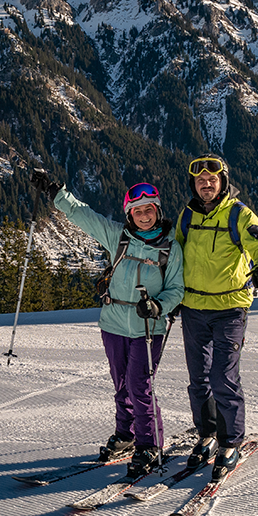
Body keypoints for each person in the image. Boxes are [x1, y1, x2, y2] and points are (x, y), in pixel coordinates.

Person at [30, 169, 185, 476]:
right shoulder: (118, 237)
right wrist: (57, 192)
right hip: (113, 323)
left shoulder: (170, 248)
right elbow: (82, 215)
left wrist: (158, 305)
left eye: (148, 209)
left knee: (140, 386)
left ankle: (149, 444)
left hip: (148, 327)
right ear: (130, 214)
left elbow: (176, 289)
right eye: (137, 211)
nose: (143, 215)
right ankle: (126, 436)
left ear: (157, 211)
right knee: (121, 385)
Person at [175, 153, 258, 481]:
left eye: (212, 180)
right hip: (192, 308)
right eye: (200, 181)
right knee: (198, 379)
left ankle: (230, 441)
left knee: (223, 376)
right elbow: (173, 254)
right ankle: (207, 434)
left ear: (223, 182)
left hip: (230, 309)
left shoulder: (238, 213)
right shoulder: (187, 216)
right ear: (194, 184)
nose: (206, 185)